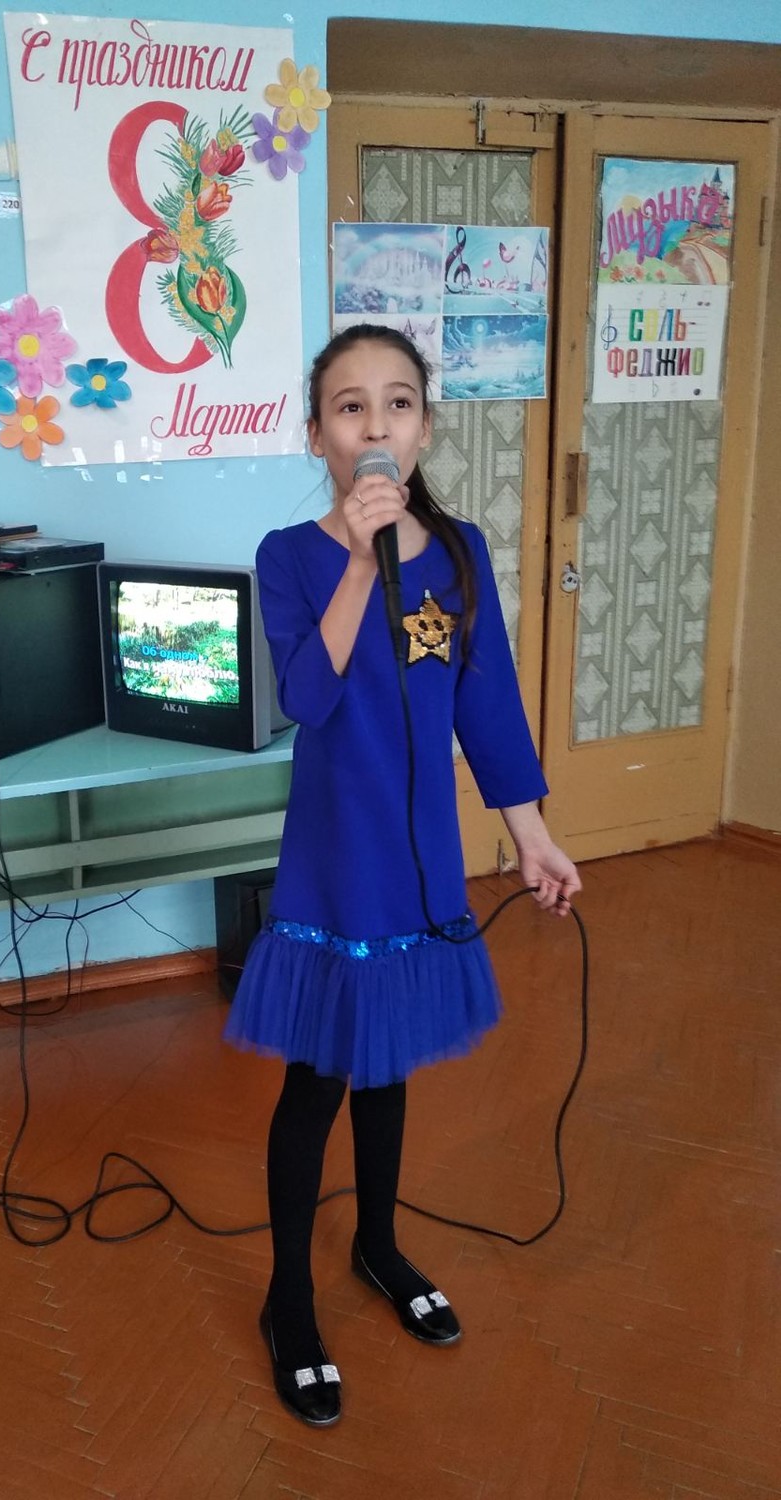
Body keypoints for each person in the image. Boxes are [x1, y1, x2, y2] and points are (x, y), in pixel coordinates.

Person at [224, 323, 581, 1428]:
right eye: (349, 406)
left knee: (387, 1069)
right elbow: (308, 699)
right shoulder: (290, 555)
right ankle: (289, 1300)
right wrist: (360, 556)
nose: (374, 423)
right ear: (318, 435)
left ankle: (377, 1244)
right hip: (338, 862)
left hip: (425, 863)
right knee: (320, 1079)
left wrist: (529, 833)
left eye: (396, 402)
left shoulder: (461, 552)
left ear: (426, 426)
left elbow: (487, 705)